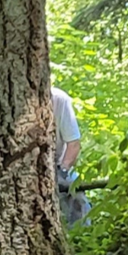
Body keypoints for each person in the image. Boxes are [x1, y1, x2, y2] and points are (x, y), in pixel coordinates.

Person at [51, 86, 90, 226]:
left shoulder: (58, 99)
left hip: (59, 167)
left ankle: (84, 236)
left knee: (78, 200)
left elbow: (73, 144)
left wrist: (63, 171)